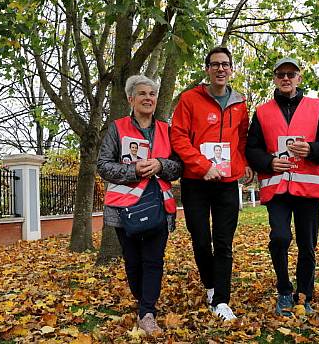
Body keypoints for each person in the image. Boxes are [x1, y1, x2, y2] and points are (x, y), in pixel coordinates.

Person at [245, 57, 319, 316]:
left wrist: (311, 149)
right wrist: (269, 162)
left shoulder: (316, 107)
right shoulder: (262, 112)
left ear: (299, 78)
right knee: (280, 237)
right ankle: (284, 289)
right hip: (277, 189)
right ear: (275, 78)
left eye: (291, 74)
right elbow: (252, 148)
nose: (286, 78)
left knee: (307, 244)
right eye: (281, 74)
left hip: (307, 189)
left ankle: (304, 293)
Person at [171, 47, 253, 322]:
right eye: (215, 64)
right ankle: (210, 286)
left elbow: (242, 139)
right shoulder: (189, 99)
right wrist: (203, 166)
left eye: (225, 65)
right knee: (201, 239)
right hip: (196, 182)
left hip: (227, 183)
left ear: (231, 70)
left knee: (224, 242)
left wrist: (240, 167)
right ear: (207, 69)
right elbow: (178, 138)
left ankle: (221, 300)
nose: (221, 69)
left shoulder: (240, 102)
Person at [97, 75, 182, 336]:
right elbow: (102, 165)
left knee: (153, 260)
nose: (148, 98)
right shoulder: (117, 128)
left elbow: (179, 165)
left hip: (158, 206)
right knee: (133, 262)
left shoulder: (167, 130)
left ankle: (147, 312)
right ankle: (143, 300)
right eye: (143, 94)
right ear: (130, 99)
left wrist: (160, 164)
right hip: (125, 210)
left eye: (152, 94)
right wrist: (133, 170)